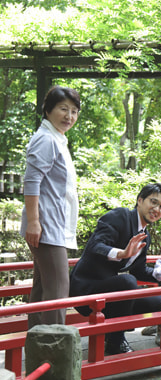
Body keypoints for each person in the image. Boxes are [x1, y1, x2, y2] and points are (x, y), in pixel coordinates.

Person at [69, 183, 161, 355]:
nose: (157, 209)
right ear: (140, 200)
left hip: (110, 293)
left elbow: (139, 271)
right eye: (153, 202)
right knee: (127, 281)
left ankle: (112, 333)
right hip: (86, 289)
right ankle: (116, 341)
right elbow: (95, 245)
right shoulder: (119, 216)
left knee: (160, 302)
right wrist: (122, 253)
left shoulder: (144, 237)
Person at [20, 85, 81, 328]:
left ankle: (36, 349)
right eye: (63, 109)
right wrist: (34, 222)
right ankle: (53, 355)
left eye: (74, 111)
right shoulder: (46, 139)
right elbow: (31, 181)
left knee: (43, 289)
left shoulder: (56, 138)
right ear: (47, 109)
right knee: (57, 291)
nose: (69, 116)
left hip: (51, 224)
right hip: (46, 226)